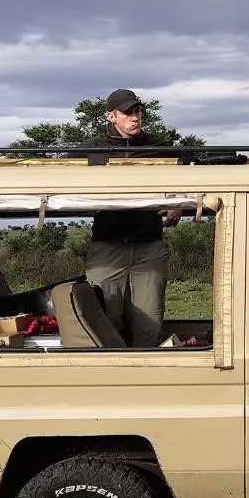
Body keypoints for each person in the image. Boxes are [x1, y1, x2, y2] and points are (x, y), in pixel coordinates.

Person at [65, 88, 185, 347]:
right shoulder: (90, 150)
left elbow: (189, 178)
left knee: (149, 318)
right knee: (105, 315)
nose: (135, 117)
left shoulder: (159, 147)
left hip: (149, 246)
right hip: (108, 245)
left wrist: (179, 203)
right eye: (128, 112)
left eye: (137, 111)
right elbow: (63, 180)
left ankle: (146, 370)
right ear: (111, 116)